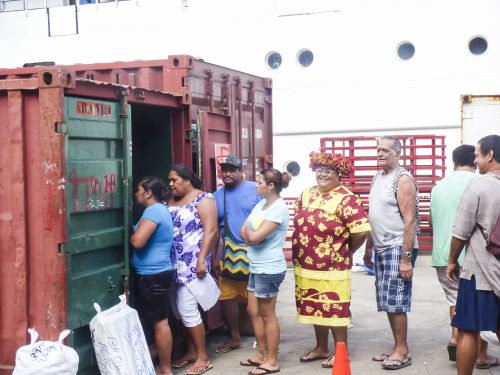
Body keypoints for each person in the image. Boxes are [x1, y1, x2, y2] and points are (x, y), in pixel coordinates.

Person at [292, 151, 371, 369]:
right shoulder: (306, 194)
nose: (323, 174)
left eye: (329, 171)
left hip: (333, 266)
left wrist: (344, 251)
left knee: (335, 308)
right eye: (320, 170)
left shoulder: (347, 198)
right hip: (305, 265)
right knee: (316, 304)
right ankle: (321, 347)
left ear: (339, 175)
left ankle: (340, 351)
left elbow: (361, 231)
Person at [447, 134, 500, 374]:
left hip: (479, 274)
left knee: (468, 329)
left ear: (490, 155)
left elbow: (461, 230)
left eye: (478, 155)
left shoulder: (480, 185)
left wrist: (451, 261)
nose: (475, 161)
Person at [365, 136, 419, 370]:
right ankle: (396, 345)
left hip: (398, 246)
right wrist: (368, 248)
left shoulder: (403, 179)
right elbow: (373, 215)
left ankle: (403, 351)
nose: (380, 154)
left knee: (397, 301)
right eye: (378, 150)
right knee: (387, 301)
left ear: (397, 153)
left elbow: (410, 221)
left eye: (385, 150)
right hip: (381, 247)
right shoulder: (378, 178)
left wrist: (405, 259)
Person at [429, 145, 479, 362]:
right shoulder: (478, 183)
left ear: (453, 161)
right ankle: (478, 354)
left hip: (442, 254)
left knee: (454, 299)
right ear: (475, 162)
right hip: (471, 254)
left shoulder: (438, 187)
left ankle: (455, 337)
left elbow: (431, 221)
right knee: (477, 302)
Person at [238, 168, 291, 375]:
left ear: (271, 186)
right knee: (253, 311)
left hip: (269, 268)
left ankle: (272, 360)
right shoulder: (262, 204)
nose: (256, 185)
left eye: (260, 182)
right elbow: (244, 230)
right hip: (256, 265)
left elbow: (253, 236)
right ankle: (260, 354)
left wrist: (251, 235)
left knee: (267, 314)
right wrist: (251, 235)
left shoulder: (278, 208)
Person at [167, 165, 218, 375]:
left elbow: (211, 230)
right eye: (169, 180)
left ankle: (202, 357)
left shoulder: (204, 199)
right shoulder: (170, 200)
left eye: (174, 180)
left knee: (187, 309)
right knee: (178, 312)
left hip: (192, 263)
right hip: (171, 264)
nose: (170, 184)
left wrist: (201, 260)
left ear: (187, 180)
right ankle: (189, 351)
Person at [212, 154, 262, 354]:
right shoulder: (216, 196)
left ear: (242, 171)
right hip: (230, 254)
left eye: (232, 170)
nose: (228, 174)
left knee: (258, 297)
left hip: (256, 253)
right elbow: (214, 230)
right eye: (224, 170)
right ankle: (234, 337)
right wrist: (215, 257)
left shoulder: (256, 189)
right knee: (227, 297)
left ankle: (262, 340)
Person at [130, 176, 175, 375]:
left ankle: (165, 369)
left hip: (153, 275)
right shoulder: (161, 209)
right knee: (158, 320)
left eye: (138, 190)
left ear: (148, 193)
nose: (136, 194)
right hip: (157, 273)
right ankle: (159, 358)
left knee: (160, 322)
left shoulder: (153, 210)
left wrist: (130, 232)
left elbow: (138, 241)